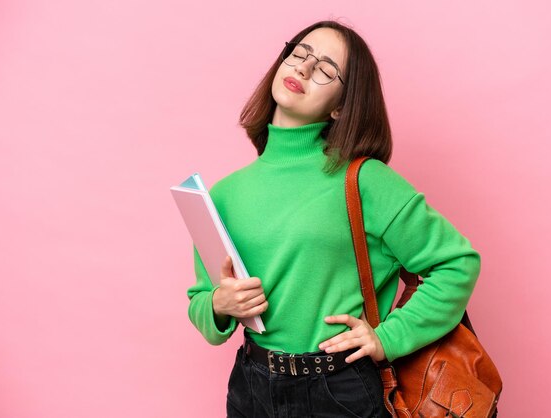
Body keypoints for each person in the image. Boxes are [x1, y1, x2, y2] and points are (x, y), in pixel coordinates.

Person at [186, 20, 481, 418]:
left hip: (337, 390)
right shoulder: (224, 193)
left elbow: (457, 263)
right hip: (249, 386)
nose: (304, 68)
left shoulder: (364, 181)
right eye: (300, 53)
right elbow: (202, 304)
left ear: (342, 105)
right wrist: (221, 304)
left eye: (326, 69)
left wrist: (388, 338)